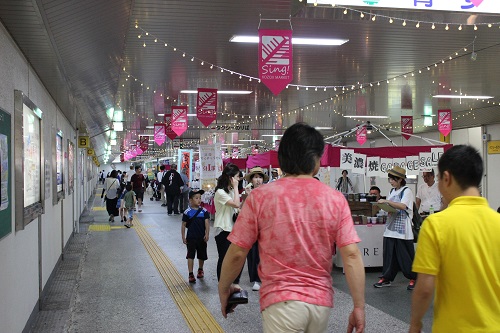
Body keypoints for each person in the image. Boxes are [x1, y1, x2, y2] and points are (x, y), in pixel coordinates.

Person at [218, 123, 365, 333]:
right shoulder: (335, 199)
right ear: (317, 161)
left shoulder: (260, 197)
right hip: (320, 303)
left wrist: (224, 289)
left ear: (282, 159)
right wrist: (359, 306)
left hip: (280, 302)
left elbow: (237, 252)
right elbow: (351, 255)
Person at [409, 145, 500, 333]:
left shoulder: (435, 225)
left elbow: (425, 288)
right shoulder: (497, 222)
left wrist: (415, 323)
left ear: (447, 178)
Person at [374, 166, 417, 291]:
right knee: (389, 256)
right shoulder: (392, 191)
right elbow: (392, 206)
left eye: (393, 179)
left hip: (403, 230)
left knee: (406, 256)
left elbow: (403, 206)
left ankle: (414, 278)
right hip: (390, 227)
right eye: (390, 179)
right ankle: (386, 277)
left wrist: (387, 202)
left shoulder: (407, 191)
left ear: (399, 180)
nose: (391, 182)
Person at [214, 163, 242, 288]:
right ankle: (222, 284)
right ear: (230, 178)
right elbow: (236, 204)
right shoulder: (220, 192)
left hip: (232, 229)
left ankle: (230, 283)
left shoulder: (230, 191)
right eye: (237, 177)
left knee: (232, 259)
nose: (238, 180)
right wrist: (236, 187)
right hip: (223, 229)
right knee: (223, 258)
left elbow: (238, 208)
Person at [242, 167, 268, 291]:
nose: (258, 180)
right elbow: (242, 209)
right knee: (252, 253)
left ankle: (261, 278)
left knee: (263, 252)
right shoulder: (246, 192)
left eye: (260, 177)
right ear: (251, 180)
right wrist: (247, 196)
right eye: (255, 177)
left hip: (265, 226)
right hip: (251, 226)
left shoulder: (267, 191)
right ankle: (255, 279)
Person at [181, 190, 210, 284]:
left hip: (201, 238)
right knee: (190, 255)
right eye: (196, 198)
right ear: (190, 200)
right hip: (191, 238)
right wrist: (183, 237)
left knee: (202, 255)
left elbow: (207, 223)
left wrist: (207, 234)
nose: (199, 200)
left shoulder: (204, 211)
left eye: (200, 198)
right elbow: (183, 225)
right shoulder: (187, 212)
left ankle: (200, 269)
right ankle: (190, 274)